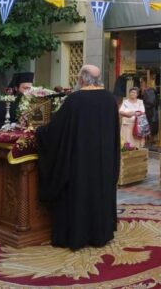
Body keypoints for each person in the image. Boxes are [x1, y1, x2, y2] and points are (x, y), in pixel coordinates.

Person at [36, 64, 120, 250]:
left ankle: (77, 235)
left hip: (80, 161)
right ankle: (101, 233)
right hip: (104, 160)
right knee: (99, 192)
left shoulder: (75, 99)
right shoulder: (109, 98)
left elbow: (56, 129)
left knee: (79, 194)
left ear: (82, 78)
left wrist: (39, 132)